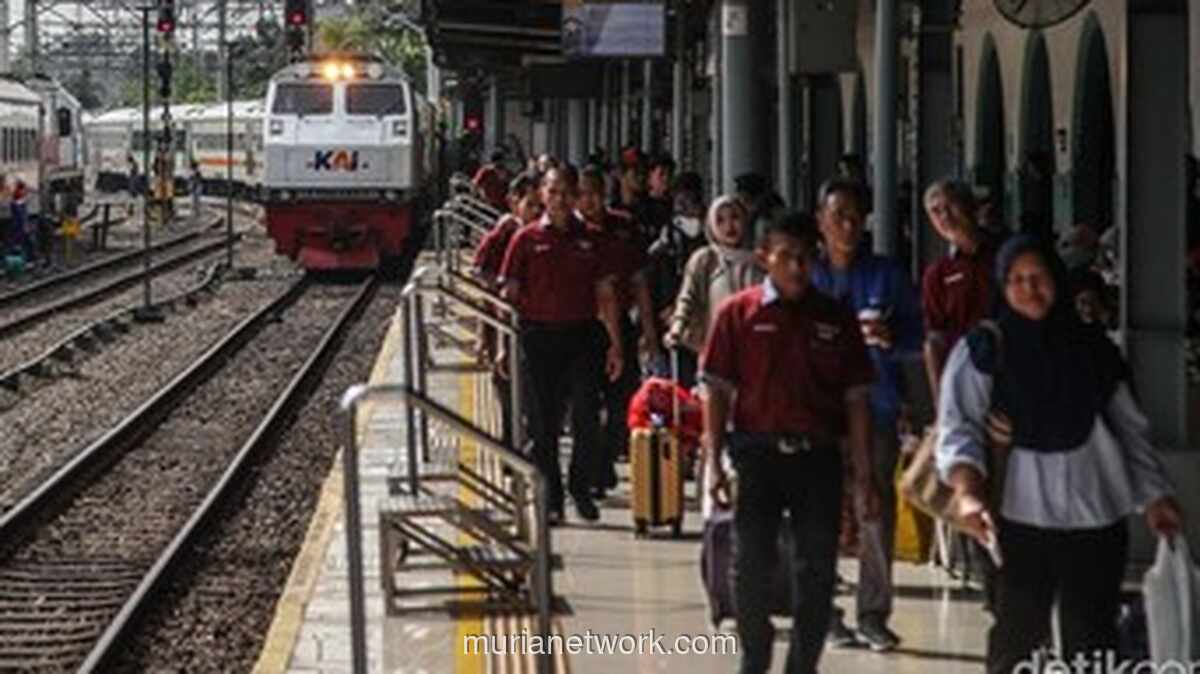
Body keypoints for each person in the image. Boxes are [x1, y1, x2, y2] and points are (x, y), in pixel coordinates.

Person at [936, 235, 1183, 674]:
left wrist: (1155, 497)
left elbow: (1129, 429)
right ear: (1002, 286)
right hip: (1019, 519)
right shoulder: (985, 349)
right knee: (1018, 634)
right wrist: (968, 493)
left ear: (1057, 280)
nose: (1029, 290)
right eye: (1016, 280)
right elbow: (959, 427)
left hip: (1095, 514)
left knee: (1092, 636)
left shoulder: (1093, 350)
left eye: (1039, 278)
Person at [701, 210, 880, 674]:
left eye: (806, 258)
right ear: (765, 259)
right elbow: (716, 389)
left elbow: (856, 398)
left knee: (816, 571)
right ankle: (754, 657)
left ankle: (802, 666)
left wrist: (863, 477)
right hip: (756, 455)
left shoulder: (835, 317)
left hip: (817, 460)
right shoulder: (737, 315)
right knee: (751, 565)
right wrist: (712, 461)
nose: (799, 268)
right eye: (788, 258)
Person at [810, 178, 923, 652]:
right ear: (821, 222)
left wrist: (890, 338)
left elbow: (919, 338)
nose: (849, 226)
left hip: (876, 406)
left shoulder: (888, 274)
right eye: (839, 216)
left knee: (874, 507)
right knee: (820, 512)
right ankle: (825, 613)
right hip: (818, 410)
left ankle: (873, 613)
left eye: (856, 217)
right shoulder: (809, 275)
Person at [499, 166, 624, 524]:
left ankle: (579, 487)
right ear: (541, 194)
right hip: (537, 338)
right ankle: (551, 496)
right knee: (544, 423)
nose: (560, 200)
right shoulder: (524, 240)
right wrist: (505, 345)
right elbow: (509, 294)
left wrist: (615, 346)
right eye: (553, 192)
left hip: (582, 336)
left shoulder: (593, 239)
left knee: (587, 416)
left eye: (568, 193)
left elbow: (606, 295)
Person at [576, 165, 660, 494]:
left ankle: (607, 455)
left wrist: (649, 332)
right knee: (586, 401)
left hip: (621, 324)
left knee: (621, 399)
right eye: (583, 194)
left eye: (596, 193)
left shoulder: (624, 229)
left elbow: (639, 282)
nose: (591, 201)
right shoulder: (570, 232)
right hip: (581, 326)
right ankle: (595, 468)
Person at [474, 171, 543, 447]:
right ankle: (512, 440)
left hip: (534, 323)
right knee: (505, 383)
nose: (536, 212)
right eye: (530, 205)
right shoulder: (504, 234)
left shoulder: (546, 235)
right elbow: (481, 272)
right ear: (515, 203)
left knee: (533, 389)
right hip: (501, 323)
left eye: (540, 206)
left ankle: (525, 438)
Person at [665, 195, 763, 356]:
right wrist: (677, 327)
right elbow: (687, 297)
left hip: (754, 347)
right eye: (720, 220)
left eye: (735, 217)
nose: (729, 226)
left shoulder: (760, 260)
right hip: (716, 348)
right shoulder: (706, 259)